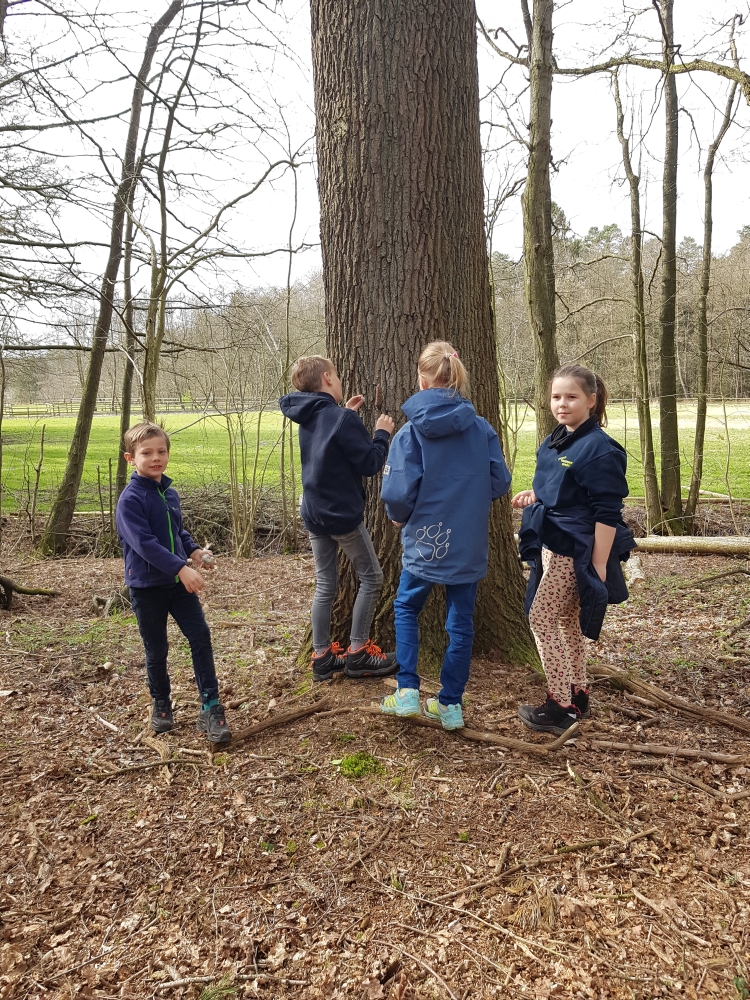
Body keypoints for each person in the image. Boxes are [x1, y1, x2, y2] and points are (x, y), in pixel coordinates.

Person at [378, 341, 511, 730]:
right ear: (456, 378)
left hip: (425, 537)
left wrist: (397, 516)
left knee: (406, 607)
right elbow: (499, 480)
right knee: (461, 622)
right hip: (467, 539)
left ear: (421, 379)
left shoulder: (409, 432)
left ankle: (406, 692)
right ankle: (450, 704)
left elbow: (398, 490)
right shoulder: (481, 428)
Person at [512, 363, 636, 735]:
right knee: (565, 621)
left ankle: (559, 706)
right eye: (556, 396)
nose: (562, 404)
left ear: (592, 400)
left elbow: (607, 512)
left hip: (577, 550)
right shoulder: (558, 439)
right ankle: (578, 693)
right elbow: (564, 486)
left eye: (571, 397)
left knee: (540, 617)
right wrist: (536, 495)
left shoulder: (600, 449)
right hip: (553, 541)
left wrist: (598, 566)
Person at [280, 355, 399, 682]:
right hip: (341, 515)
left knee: (326, 583)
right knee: (372, 577)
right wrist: (381, 433)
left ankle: (321, 657)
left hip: (314, 514)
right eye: (337, 375)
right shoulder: (342, 420)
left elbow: (331, 442)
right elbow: (370, 464)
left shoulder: (309, 417)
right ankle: (357, 653)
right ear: (328, 378)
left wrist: (347, 414)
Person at [115, 421, 231, 743]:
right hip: (147, 587)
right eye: (147, 453)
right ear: (130, 458)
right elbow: (145, 543)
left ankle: (210, 706)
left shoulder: (169, 492)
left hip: (178, 586)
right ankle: (161, 703)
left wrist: (193, 551)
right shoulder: (130, 500)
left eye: (161, 451)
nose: (156, 458)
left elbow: (175, 530)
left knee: (200, 636)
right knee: (157, 649)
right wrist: (181, 568)